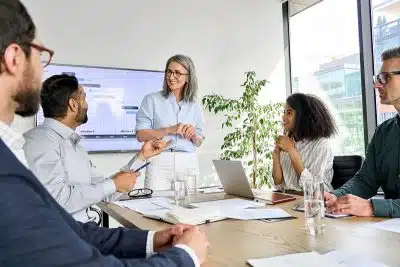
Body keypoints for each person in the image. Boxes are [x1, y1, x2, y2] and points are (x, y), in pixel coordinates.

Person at [0, 1, 208, 266]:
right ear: (14, 58)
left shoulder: (70, 144)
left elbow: (95, 200)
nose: (41, 69)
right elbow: (66, 202)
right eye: (41, 55)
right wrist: (185, 256)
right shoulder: (36, 145)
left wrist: (141, 159)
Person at [23, 74, 169, 222]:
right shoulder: (40, 142)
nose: (86, 104)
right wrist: (113, 184)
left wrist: (141, 157)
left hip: (82, 231)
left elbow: (108, 192)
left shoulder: (75, 147)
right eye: (84, 98)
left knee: (152, 238)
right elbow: (56, 201)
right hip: (64, 237)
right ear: (73, 104)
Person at [325, 46, 400, 218]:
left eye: (385, 77)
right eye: (378, 78)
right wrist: (335, 196)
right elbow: (365, 181)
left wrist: (372, 207)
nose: (376, 84)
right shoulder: (383, 132)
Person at [135, 54, 205, 152]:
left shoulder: (195, 106)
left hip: (188, 162)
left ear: (188, 78)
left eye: (177, 73)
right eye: (169, 72)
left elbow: (199, 142)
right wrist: (169, 130)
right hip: (159, 158)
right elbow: (140, 135)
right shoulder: (151, 100)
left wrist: (193, 135)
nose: (171, 77)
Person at [272, 93, 337, 193]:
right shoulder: (288, 142)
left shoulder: (321, 145)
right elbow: (278, 184)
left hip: (314, 204)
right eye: (284, 112)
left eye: (289, 113)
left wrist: (292, 151)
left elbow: (313, 189)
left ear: (302, 116)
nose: (283, 117)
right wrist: (276, 154)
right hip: (289, 201)